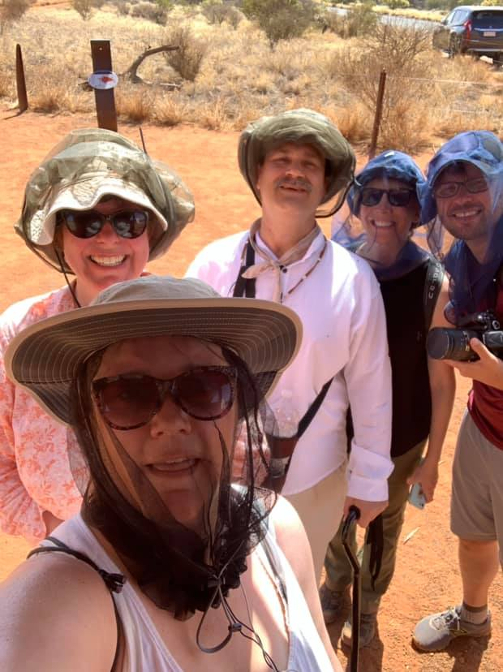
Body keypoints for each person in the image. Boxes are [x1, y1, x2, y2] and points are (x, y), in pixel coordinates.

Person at [0, 274, 341, 672]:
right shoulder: (58, 605)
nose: (170, 422)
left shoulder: (278, 530)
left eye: (204, 385)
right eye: (126, 394)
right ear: (89, 422)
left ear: (238, 402)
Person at [186, 108, 394, 582]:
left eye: (310, 164)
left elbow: (371, 384)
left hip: (312, 478)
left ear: (325, 186)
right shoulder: (212, 265)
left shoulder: (355, 280)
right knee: (214, 587)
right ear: (257, 174)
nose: (294, 172)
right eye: (280, 159)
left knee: (294, 592)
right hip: (214, 473)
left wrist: (369, 479)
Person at [0, 128, 194, 543]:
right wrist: (62, 536)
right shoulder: (20, 333)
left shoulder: (189, 325)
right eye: (84, 221)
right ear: (59, 235)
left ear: (150, 234)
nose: (108, 238)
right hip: (66, 553)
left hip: (173, 551)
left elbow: (228, 451)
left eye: (129, 221)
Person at [320, 150, 456, 647]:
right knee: (335, 513)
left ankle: (368, 604)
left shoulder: (432, 285)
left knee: (384, 525)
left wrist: (433, 461)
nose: (383, 207)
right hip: (336, 432)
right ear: (356, 203)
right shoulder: (338, 270)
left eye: (399, 198)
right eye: (371, 194)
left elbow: (442, 383)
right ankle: (335, 587)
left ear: (418, 211)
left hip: (400, 442)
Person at [412, 131, 503, 651]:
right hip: (483, 424)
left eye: (474, 182)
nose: (461, 198)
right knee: (473, 535)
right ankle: (473, 616)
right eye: (447, 188)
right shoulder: (462, 263)